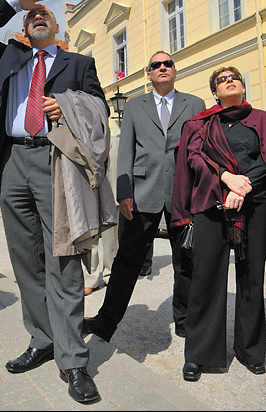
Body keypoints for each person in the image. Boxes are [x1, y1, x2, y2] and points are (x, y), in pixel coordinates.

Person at [0, 0, 108, 404]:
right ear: (25, 28)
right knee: (25, 259)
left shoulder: (78, 62)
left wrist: (64, 105)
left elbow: (99, 108)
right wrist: (15, 3)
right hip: (11, 163)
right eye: (32, 16)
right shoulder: (11, 56)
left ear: (57, 26)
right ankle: (42, 339)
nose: (37, 16)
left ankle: (74, 361)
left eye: (43, 13)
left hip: (55, 161)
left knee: (62, 258)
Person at [171, 66, 266, 381]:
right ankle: (199, 354)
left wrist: (242, 186)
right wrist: (227, 180)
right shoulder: (198, 123)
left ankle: (250, 351)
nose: (229, 80)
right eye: (222, 79)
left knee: (252, 276)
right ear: (214, 92)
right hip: (210, 203)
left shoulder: (262, 119)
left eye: (234, 77)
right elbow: (194, 158)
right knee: (205, 278)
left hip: (255, 204)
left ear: (243, 87)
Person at [82, 51, 205, 342]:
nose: (163, 68)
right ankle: (106, 320)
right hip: (140, 194)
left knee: (185, 259)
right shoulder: (136, 106)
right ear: (148, 74)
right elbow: (126, 151)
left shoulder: (195, 104)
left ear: (175, 70)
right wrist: (124, 192)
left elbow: (200, 148)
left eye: (168, 64)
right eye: (156, 65)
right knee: (127, 260)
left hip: (182, 194)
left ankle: (185, 319)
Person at [83, 117, 120, 296]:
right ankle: (90, 279)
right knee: (91, 238)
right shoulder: (83, 141)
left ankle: (110, 273)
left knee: (111, 238)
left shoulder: (115, 140)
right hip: (89, 194)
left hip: (111, 195)